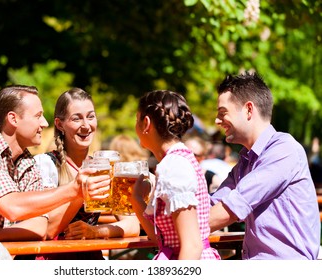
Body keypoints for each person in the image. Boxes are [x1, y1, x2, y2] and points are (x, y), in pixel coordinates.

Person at [0, 85, 110, 242]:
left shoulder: (27, 163)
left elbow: (40, 227)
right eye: (38, 116)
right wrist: (74, 190)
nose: (45, 123)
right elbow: (12, 207)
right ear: (13, 119)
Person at [210, 72, 321, 259]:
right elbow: (213, 204)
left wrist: (180, 232)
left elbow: (232, 207)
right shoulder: (245, 161)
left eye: (223, 113)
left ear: (248, 110)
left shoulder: (284, 150)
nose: (217, 121)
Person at [33, 88, 140, 260]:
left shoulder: (103, 167)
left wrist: (95, 231)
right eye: (77, 118)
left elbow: (133, 225)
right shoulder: (46, 165)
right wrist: (80, 193)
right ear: (60, 124)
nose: (86, 125)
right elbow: (47, 229)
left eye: (90, 116)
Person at [130, 89, 220, 260]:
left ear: (146, 123)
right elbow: (161, 238)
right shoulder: (175, 160)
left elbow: (192, 246)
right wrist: (136, 199)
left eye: (137, 120)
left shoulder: (173, 166)